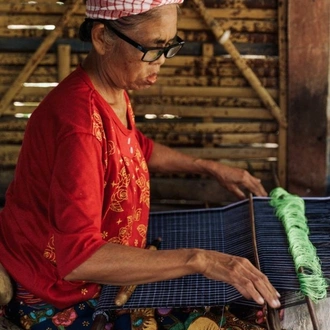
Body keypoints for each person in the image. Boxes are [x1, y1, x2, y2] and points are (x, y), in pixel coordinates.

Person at [0, 0, 281, 329]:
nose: (161, 62)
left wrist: (209, 166)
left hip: (101, 269)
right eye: (152, 48)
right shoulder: (79, 127)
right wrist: (199, 259)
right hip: (60, 294)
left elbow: (135, 147)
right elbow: (78, 258)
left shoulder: (109, 89)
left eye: (169, 47)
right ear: (104, 38)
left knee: (250, 307)